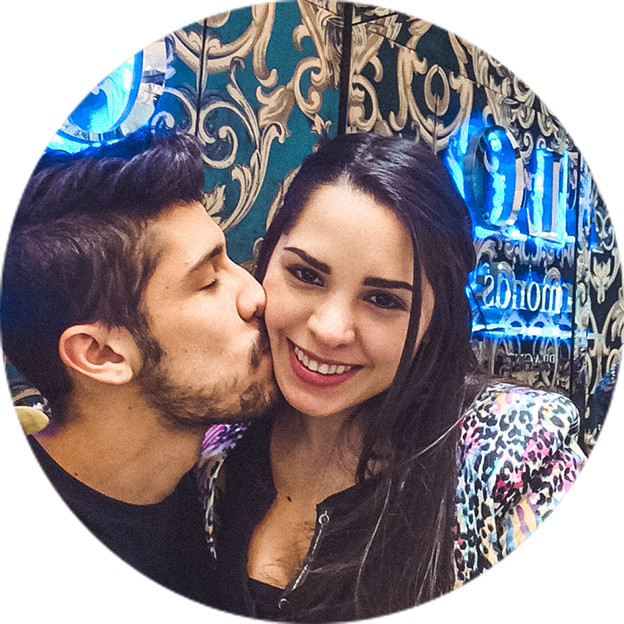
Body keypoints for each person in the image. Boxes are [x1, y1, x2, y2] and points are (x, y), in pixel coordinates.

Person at [0, 133, 622, 623]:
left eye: (384, 300)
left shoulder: (506, 452)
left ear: (433, 322)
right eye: (303, 275)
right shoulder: (217, 454)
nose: (325, 328)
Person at [0, 129, 277, 622]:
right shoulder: (20, 583)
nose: (256, 295)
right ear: (102, 354)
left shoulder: (233, 476)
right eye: (208, 280)